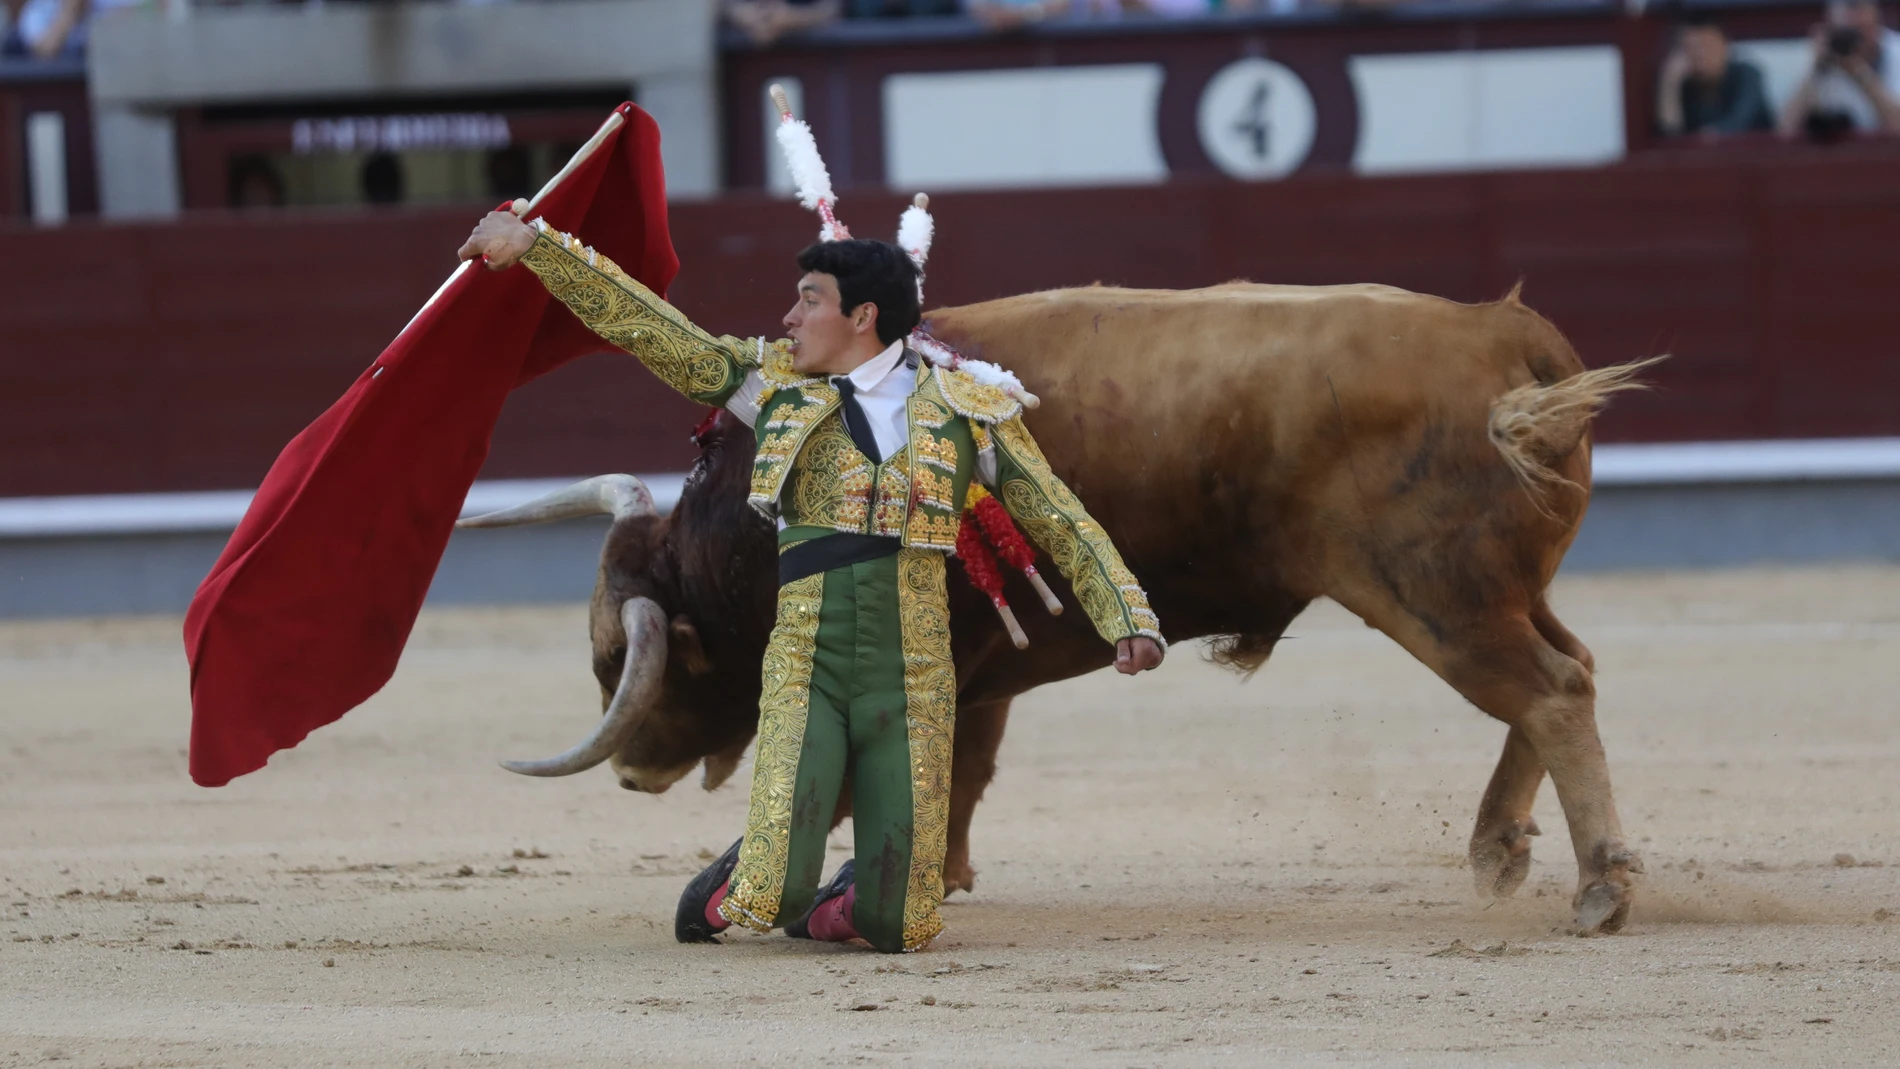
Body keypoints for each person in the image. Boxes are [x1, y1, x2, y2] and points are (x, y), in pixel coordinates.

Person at [454, 213, 1166, 954]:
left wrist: (1127, 615)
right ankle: (740, 885)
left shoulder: (969, 409)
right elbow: (651, 330)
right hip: (808, 668)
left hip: (914, 676)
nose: (789, 316)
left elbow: (1057, 516)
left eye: (810, 300)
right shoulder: (772, 388)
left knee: (901, 926)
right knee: (773, 892)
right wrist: (541, 250)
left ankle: (855, 895)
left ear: (863, 316)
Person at [1778, 0, 1900, 138]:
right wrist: (1815, 70)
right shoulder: (1821, 57)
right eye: (1848, 29)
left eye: (1859, 28)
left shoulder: (1896, 53)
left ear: (1877, 18)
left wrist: (1858, 71)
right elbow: (1785, 131)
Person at [1655, 16, 1775, 138]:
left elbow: (1737, 123)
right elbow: (1670, 135)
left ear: (1725, 46)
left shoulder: (1748, 75)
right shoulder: (1687, 87)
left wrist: (1704, 136)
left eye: (1707, 46)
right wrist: (1670, 83)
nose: (1700, 54)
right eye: (1691, 48)